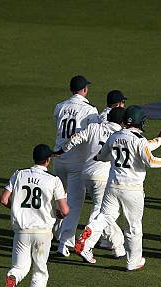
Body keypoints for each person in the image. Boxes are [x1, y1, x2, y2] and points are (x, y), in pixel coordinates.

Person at [74, 106, 161, 271]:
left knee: (105, 216)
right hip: (132, 189)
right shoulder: (138, 140)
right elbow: (152, 162)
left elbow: (101, 156)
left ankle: (86, 240)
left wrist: (158, 141)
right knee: (133, 226)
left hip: (112, 185)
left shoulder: (114, 136)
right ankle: (133, 261)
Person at [0, 144, 69, 287]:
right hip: (43, 233)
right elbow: (65, 210)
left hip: (21, 231)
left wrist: (16, 210)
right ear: (48, 160)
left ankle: (13, 277)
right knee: (40, 272)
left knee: (20, 267)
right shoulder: (53, 180)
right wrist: (57, 215)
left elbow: (4, 199)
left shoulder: (19, 174)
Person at [57, 107, 127, 257]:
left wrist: (62, 150)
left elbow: (75, 139)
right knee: (103, 213)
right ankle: (88, 244)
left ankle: (117, 246)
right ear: (122, 121)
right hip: (104, 177)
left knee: (100, 211)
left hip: (86, 174)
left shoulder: (94, 127)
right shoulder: (120, 135)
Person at [52, 75, 100, 257]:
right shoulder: (90, 110)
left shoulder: (60, 106)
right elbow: (93, 134)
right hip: (76, 162)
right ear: (85, 90)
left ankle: (53, 233)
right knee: (73, 203)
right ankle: (64, 242)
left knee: (57, 198)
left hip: (59, 158)